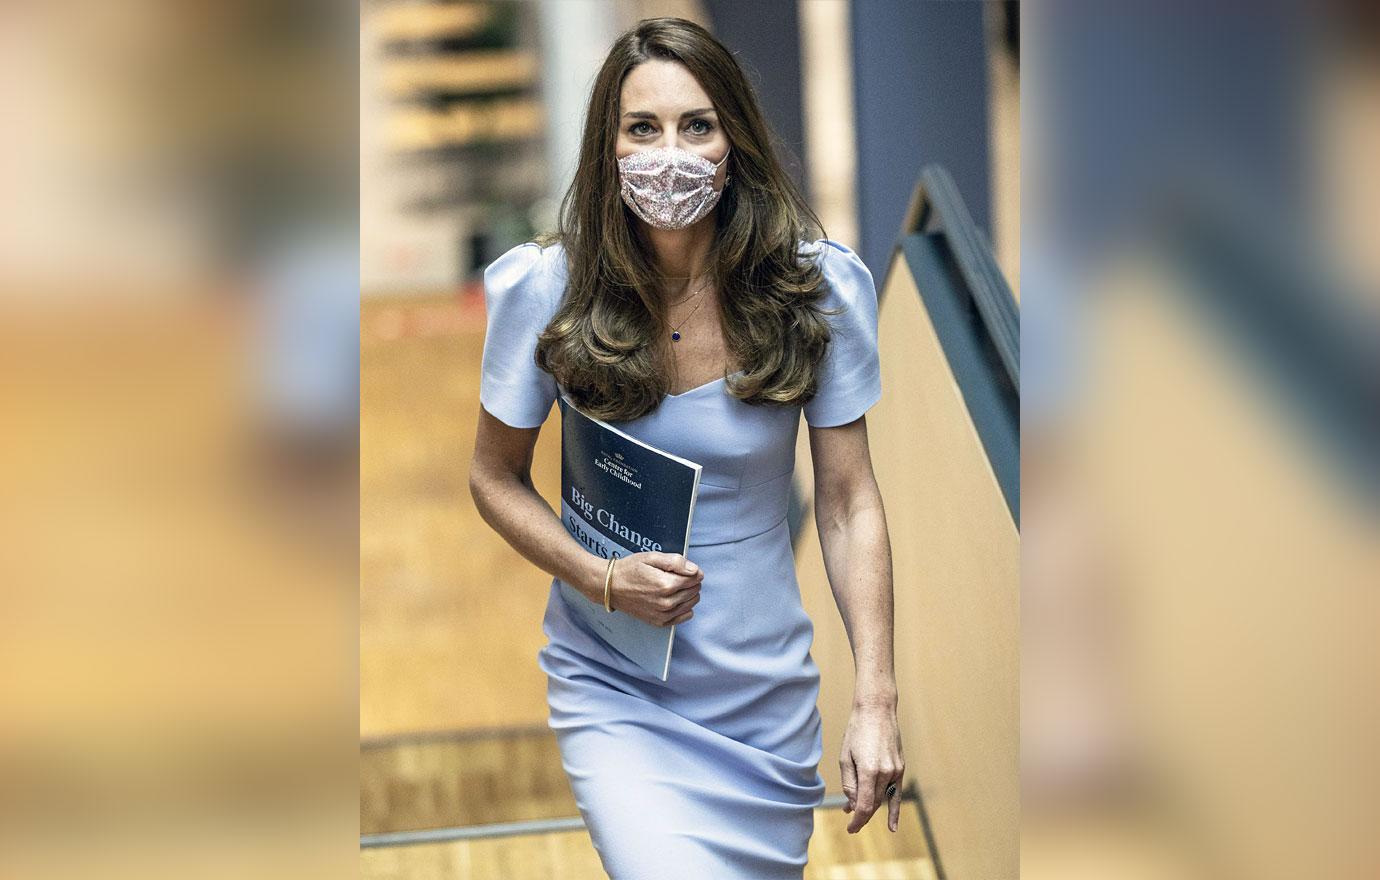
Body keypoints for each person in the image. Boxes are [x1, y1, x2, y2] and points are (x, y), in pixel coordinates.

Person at [469, 17, 902, 879]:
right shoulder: (549, 287)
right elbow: (494, 478)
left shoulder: (814, 288)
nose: (669, 153)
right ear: (610, 148)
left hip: (761, 695)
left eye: (696, 125)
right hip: (613, 681)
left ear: (733, 143)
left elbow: (850, 502)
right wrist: (600, 577)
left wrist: (876, 698)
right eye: (643, 127)